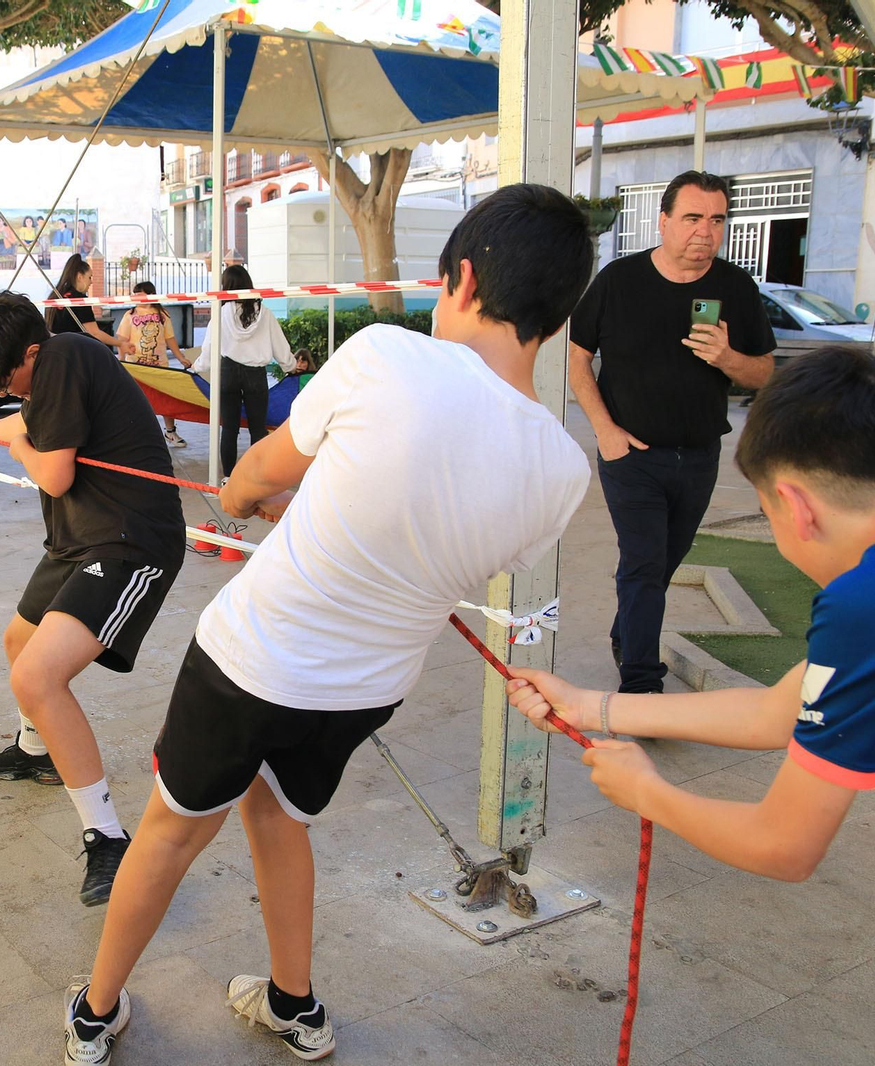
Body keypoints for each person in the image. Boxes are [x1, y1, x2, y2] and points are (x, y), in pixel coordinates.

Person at [64, 184, 596, 1065]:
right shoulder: (562, 469)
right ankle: (294, 1004)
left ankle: (94, 1013)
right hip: (363, 693)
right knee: (281, 819)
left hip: (249, 662)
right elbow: (429, 526)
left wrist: (248, 499)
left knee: (171, 830)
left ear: (464, 279)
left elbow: (253, 479)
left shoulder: (387, 355)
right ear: (559, 311)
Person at [506, 346, 875, 884]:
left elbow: (783, 845)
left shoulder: (873, 598)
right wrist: (588, 706)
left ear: (795, 508)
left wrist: (648, 793)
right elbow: (778, 711)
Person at [0, 292, 186, 908]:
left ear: (31, 354)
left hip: (130, 540)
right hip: (78, 539)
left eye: (5, 377)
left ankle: (107, 837)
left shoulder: (64, 358)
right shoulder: (53, 368)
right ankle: (38, 753)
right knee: (19, 641)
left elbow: (51, 472)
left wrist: (15, 448)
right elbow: (22, 423)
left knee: (37, 676)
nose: (4, 388)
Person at [570, 170, 775, 694]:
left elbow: (764, 373)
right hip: (631, 455)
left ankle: (626, 635)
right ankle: (642, 684)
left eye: (717, 220)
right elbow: (576, 356)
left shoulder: (735, 287)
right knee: (643, 563)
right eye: (692, 218)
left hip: (701, 456)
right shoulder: (619, 280)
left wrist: (727, 358)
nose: (705, 231)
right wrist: (605, 430)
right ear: (663, 221)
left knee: (662, 564)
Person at [195, 264, 296, 478]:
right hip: (255, 374)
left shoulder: (220, 313)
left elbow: (209, 349)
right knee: (258, 429)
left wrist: (196, 368)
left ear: (226, 286)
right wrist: (291, 367)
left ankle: (228, 477)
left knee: (229, 429)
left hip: (228, 372)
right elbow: (280, 346)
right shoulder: (264, 313)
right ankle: (257, 477)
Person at [115, 282, 187, 447]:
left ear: (150, 294)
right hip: (137, 368)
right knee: (136, 401)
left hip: (160, 366)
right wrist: (122, 360)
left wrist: (180, 357)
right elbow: (122, 340)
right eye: (134, 294)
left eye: (139, 293)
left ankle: (170, 431)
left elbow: (170, 338)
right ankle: (136, 434)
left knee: (166, 399)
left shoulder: (163, 314)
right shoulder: (129, 315)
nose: (135, 297)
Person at [45, 255, 133, 357]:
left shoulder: (54, 296)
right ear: (80, 276)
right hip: (71, 353)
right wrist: (120, 343)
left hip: (52, 352)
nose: (91, 282)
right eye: (89, 277)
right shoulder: (79, 300)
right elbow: (94, 333)